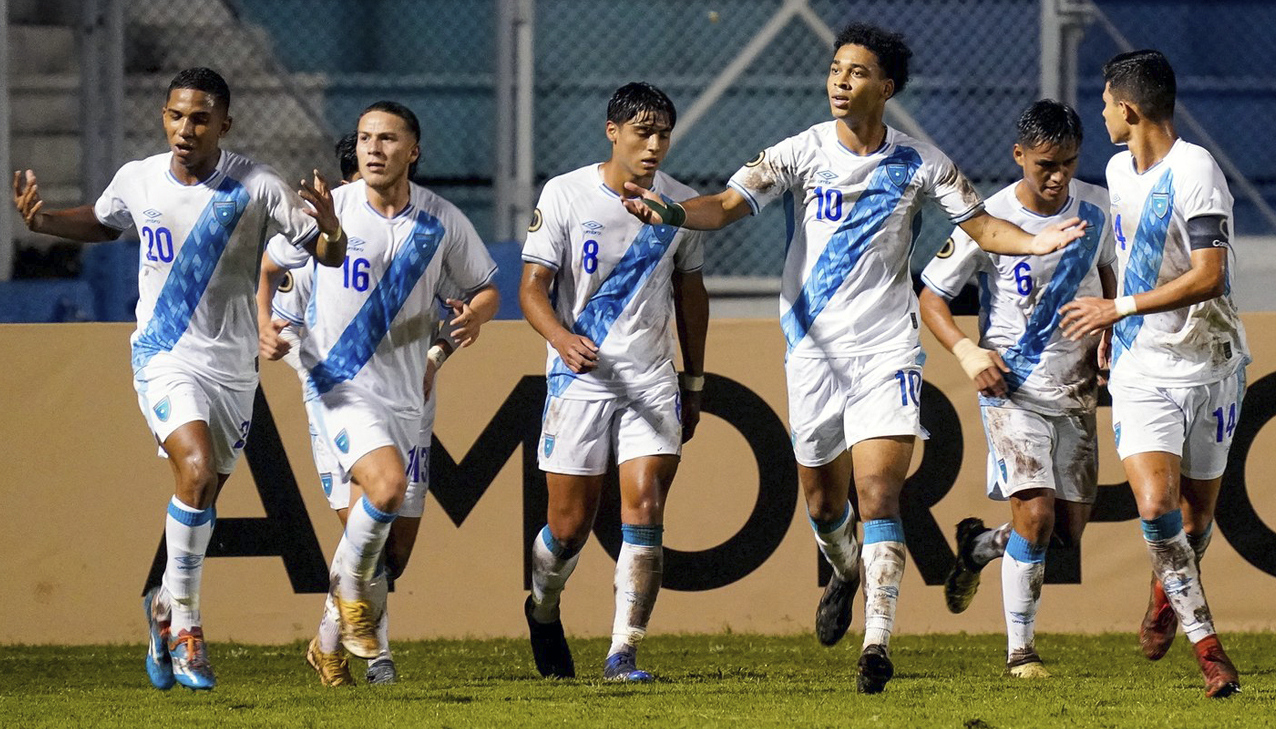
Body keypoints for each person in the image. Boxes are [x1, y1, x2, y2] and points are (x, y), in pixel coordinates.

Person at [622, 24, 1086, 693]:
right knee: (823, 501)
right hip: (812, 353)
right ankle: (844, 570)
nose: (841, 80)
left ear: (887, 87)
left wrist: (1038, 244)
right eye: (837, 68)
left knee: (879, 491)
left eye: (858, 71)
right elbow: (726, 203)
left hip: (887, 349)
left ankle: (877, 642)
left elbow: (982, 226)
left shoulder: (921, 163)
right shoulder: (801, 151)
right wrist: (671, 211)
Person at [10, 67, 345, 691]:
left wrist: (330, 228)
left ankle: (162, 604)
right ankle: (187, 626)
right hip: (163, 354)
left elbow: (327, 254)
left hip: (232, 367)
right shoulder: (139, 178)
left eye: (198, 118)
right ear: (163, 118)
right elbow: (108, 220)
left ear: (225, 123)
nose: (183, 129)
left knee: (202, 496)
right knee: (193, 472)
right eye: (174, 116)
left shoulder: (258, 187)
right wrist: (45, 220)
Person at [258, 100, 499, 685]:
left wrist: (468, 324)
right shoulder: (326, 212)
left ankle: (326, 642)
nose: (373, 148)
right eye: (366, 137)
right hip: (335, 385)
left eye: (387, 139)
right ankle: (371, 639)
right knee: (383, 491)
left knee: (391, 552)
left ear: (412, 151)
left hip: (408, 396)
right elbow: (269, 273)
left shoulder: (440, 222)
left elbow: (487, 287)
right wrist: (266, 323)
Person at [1059, 49, 1248, 698]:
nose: (1104, 112)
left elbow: (1209, 274)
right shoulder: (1117, 169)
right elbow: (1129, 255)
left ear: (1130, 109)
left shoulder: (1197, 172)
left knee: (1193, 525)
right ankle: (1211, 651)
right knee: (1156, 506)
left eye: (1109, 102)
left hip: (1212, 364)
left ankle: (1165, 594)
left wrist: (1119, 306)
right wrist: (1117, 324)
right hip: (1144, 369)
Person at [519, 82, 709, 682]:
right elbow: (532, 289)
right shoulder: (566, 195)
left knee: (646, 506)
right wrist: (560, 337)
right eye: (642, 132)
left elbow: (691, 293)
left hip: (650, 379)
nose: (655, 145)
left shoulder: (680, 206)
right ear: (613, 132)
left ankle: (623, 652)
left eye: (663, 134)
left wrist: (694, 380)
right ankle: (543, 608)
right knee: (569, 528)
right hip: (581, 379)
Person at [919, 99, 1116, 678]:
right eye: (1045, 165)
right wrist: (966, 350)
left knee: (1066, 531)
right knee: (1035, 514)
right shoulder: (989, 219)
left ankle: (980, 547)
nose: (1058, 177)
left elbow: (1109, 281)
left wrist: (1110, 331)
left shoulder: (1098, 210)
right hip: (1012, 388)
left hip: (1076, 389)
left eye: (1070, 164)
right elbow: (932, 298)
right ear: (1020, 156)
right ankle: (1020, 653)